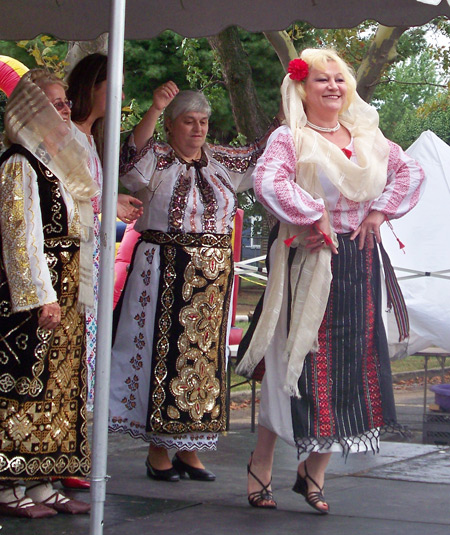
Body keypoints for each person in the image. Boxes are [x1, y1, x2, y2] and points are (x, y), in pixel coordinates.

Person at [235, 48, 425, 514]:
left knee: (349, 369)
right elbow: (268, 181)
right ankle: (262, 463)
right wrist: (313, 214)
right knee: (290, 366)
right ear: (302, 88)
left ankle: (313, 473)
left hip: (358, 264)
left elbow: (410, 172)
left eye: (340, 79)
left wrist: (379, 212)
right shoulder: (290, 137)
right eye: (322, 80)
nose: (334, 87)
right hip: (307, 264)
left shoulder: (368, 137)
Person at [109, 81, 281, 482]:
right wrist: (153, 108)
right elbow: (129, 163)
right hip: (163, 273)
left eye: (203, 121)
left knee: (201, 362)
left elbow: (261, 152)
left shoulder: (221, 159)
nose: (198, 129)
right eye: (189, 121)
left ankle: (189, 446)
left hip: (210, 280)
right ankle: (158, 451)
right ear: (171, 126)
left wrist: (285, 112)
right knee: (161, 356)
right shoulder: (157, 157)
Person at [0, 69, 97, 517]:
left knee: (56, 389)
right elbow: (20, 235)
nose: (64, 110)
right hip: (34, 295)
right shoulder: (19, 161)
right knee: (23, 386)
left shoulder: (57, 166)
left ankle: (40, 480)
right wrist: (42, 295)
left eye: (65, 103)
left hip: (65, 287)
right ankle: (6, 485)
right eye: (55, 104)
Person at [66, 53, 143, 415]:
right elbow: (69, 191)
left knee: (89, 342)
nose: (118, 96)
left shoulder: (91, 138)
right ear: (91, 87)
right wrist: (108, 202)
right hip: (74, 253)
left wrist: (113, 201)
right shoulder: (66, 136)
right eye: (113, 87)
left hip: (94, 251)